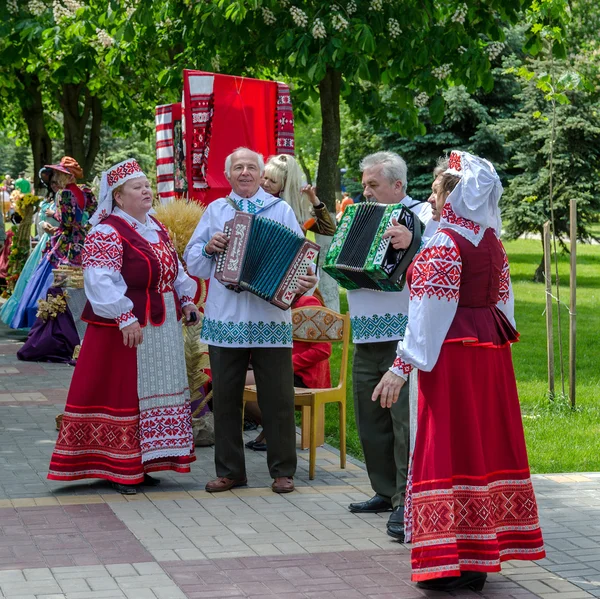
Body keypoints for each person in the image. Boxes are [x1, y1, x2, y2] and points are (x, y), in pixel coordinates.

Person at [373, 151, 545, 591]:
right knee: (481, 447)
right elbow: (502, 304)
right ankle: (478, 559)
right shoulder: (492, 241)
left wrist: (400, 367)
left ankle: (447, 561)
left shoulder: (444, 243)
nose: (430, 200)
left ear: (454, 196)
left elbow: (428, 313)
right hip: (487, 352)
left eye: (434, 192)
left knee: (445, 445)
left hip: (450, 356)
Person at [48, 158, 200, 494]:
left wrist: (186, 298)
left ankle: (145, 462)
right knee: (124, 392)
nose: (147, 190)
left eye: (147, 185)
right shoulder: (107, 231)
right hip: (125, 328)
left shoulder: (155, 227)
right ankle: (120, 467)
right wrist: (124, 316)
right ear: (118, 197)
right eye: (138, 187)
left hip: (160, 326)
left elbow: (173, 269)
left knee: (155, 392)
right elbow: (100, 280)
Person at [185, 147, 318, 494]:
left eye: (251, 167)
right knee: (226, 398)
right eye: (238, 167)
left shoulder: (281, 210)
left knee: (277, 398)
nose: (245, 172)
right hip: (227, 317)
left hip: (270, 317)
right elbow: (193, 262)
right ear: (227, 175)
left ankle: (283, 470)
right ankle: (231, 471)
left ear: (261, 175)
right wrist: (208, 248)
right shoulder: (216, 211)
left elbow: (303, 260)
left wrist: (307, 280)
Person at [346, 151, 436, 542]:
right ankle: (384, 490)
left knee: (403, 423)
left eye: (373, 185)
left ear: (397, 186)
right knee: (370, 418)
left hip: (403, 333)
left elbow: (437, 260)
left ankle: (405, 498)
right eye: (364, 184)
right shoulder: (358, 214)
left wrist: (412, 242)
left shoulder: (425, 217)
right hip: (366, 330)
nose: (365, 192)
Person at [10, 157, 96, 329]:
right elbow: (95, 213)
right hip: (82, 238)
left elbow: (66, 221)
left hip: (66, 240)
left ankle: (51, 324)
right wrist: (84, 227)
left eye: (60, 174)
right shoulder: (85, 191)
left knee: (55, 277)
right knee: (80, 278)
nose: (56, 178)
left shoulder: (64, 194)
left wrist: (52, 213)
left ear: (69, 176)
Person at [245, 291, 332, 451]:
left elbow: (323, 350)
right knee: (231, 383)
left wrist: (286, 364)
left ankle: (279, 431)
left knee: (238, 384)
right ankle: (274, 430)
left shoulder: (309, 303)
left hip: (303, 375)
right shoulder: (273, 306)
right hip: (278, 368)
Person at [1, 168, 59, 326]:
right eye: (51, 182)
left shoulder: (65, 199)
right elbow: (39, 220)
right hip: (45, 241)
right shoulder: (48, 199)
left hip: (59, 242)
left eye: (56, 182)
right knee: (33, 280)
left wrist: (55, 227)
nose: (54, 185)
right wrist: (43, 224)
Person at [262, 154, 335, 236]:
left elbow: (330, 230)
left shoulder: (296, 207)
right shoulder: (252, 196)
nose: (266, 184)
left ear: (285, 184)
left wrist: (315, 201)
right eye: (265, 178)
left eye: (273, 181)